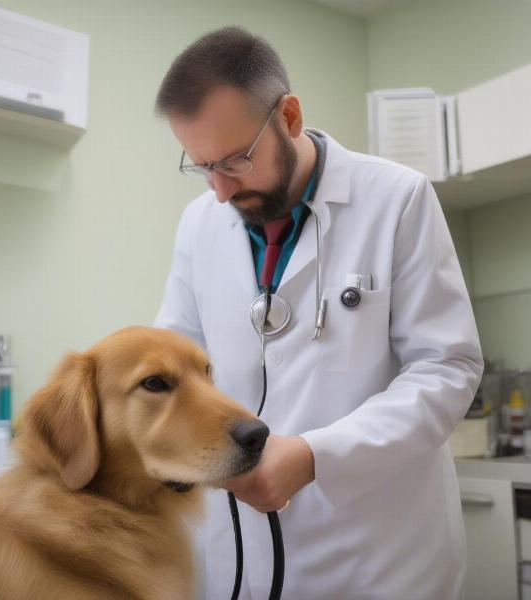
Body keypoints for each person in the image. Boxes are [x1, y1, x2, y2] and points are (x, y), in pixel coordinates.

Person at [153, 26, 483, 600]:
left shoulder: (395, 199)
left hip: (379, 558)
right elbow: (174, 356)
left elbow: (446, 368)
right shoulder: (200, 223)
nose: (221, 191)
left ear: (289, 116)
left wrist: (314, 456)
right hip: (237, 552)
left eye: (234, 161)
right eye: (201, 165)